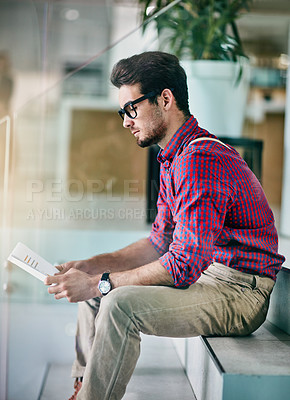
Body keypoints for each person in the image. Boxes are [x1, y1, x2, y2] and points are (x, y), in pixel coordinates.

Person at [45, 51, 285, 400]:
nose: (126, 121)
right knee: (95, 293)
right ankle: (82, 388)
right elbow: (159, 243)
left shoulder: (201, 160)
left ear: (166, 99)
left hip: (240, 292)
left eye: (131, 109)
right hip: (211, 276)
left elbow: (182, 265)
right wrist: (91, 267)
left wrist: (100, 283)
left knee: (116, 303)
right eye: (122, 111)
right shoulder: (174, 157)